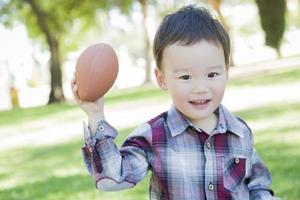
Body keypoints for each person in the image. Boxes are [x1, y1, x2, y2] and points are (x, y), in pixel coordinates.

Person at [71, 4, 276, 200]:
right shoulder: (153, 137)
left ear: (226, 72)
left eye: (212, 74)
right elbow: (112, 179)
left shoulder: (240, 132)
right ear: (162, 79)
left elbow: (257, 185)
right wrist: (95, 115)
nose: (200, 88)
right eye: (186, 77)